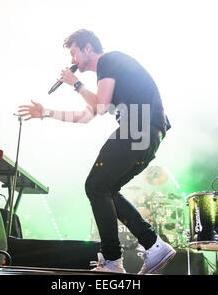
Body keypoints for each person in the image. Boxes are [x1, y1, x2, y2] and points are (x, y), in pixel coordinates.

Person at [18, 29, 175, 274]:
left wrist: (76, 84)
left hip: (139, 124)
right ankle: (153, 245)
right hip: (145, 131)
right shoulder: (109, 73)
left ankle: (113, 261)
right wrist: (47, 112)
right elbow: (85, 116)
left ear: (88, 48)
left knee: (95, 186)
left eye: (74, 53)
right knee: (105, 189)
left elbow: (101, 106)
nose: (72, 60)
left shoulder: (109, 60)